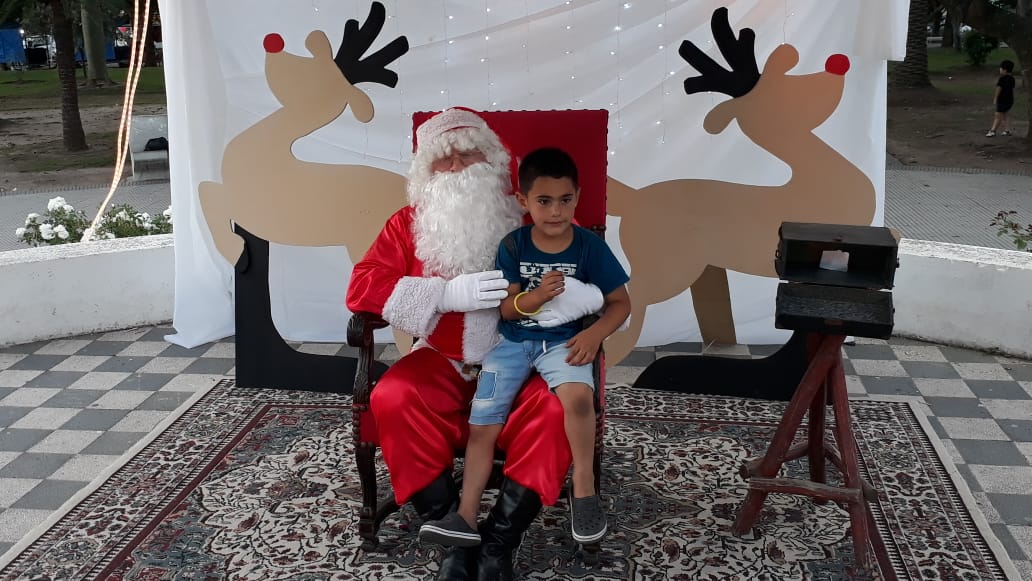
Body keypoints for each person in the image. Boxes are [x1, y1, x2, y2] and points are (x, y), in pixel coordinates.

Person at [345, 108, 606, 581]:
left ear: (494, 160)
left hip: (527, 360)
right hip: (443, 359)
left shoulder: (531, 215)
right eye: (443, 159)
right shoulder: (408, 223)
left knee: (554, 410)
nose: (457, 167)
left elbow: (591, 275)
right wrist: (442, 295)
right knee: (393, 396)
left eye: (469, 154)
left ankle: (499, 542)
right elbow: (362, 286)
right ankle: (453, 535)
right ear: (425, 171)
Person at [419, 147, 630, 550]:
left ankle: (583, 487)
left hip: (562, 342)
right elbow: (506, 309)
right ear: (523, 200)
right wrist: (535, 298)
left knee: (578, 398)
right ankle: (465, 516)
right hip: (511, 344)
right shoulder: (513, 245)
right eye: (544, 201)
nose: (555, 211)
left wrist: (593, 335)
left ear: (578, 197)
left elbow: (621, 303)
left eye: (565, 200)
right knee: (483, 423)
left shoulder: (588, 247)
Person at [986, 59, 1015, 137]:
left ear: (1005, 70)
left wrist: (995, 98)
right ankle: (1007, 130)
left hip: (1002, 100)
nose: (1000, 70)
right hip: (1010, 100)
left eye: (1001, 69)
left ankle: (993, 131)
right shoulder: (1012, 78)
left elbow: (999, 89)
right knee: (1005, 115)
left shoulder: (1002, 79)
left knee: (998, 116)